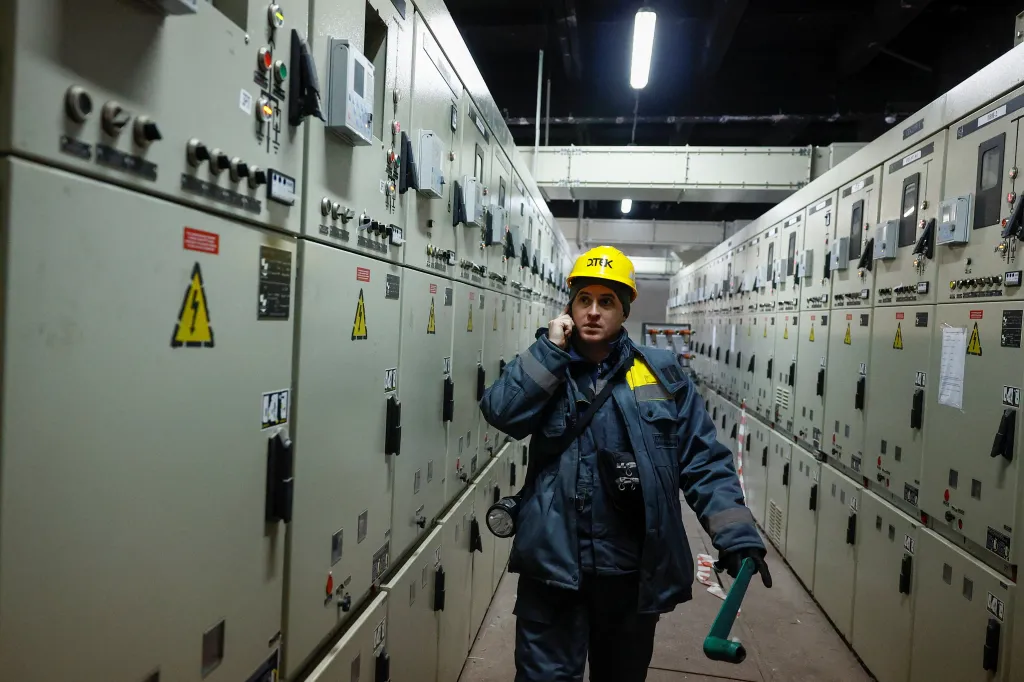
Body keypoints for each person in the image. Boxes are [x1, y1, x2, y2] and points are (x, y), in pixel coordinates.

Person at [479, 246, 770, 682]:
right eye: (584, 300)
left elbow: (703, 460)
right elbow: (501, 412)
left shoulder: (660, 375)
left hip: (630, 574)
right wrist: (549, 350)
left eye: (607, 302)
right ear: (569, 306)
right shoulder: (547, 368)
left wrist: (735, 532)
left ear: (625, 309)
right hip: (553, 571)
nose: (593, 312)